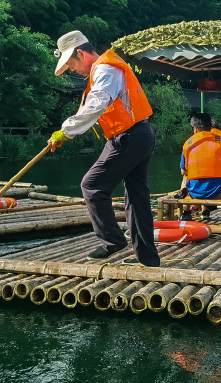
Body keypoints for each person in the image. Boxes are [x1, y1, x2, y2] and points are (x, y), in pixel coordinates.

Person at [47, 31, 159, 265]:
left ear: (80, 53)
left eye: (71, 64)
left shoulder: (105, 68)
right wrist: (65, 134)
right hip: (141, 134)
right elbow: (91, 108)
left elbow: (96, 103)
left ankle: (112, 241)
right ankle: (147, 259)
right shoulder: (105, 68)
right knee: (136, 197)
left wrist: (66, 130)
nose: (73, 70)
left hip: (129, 137)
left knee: (92, 185)